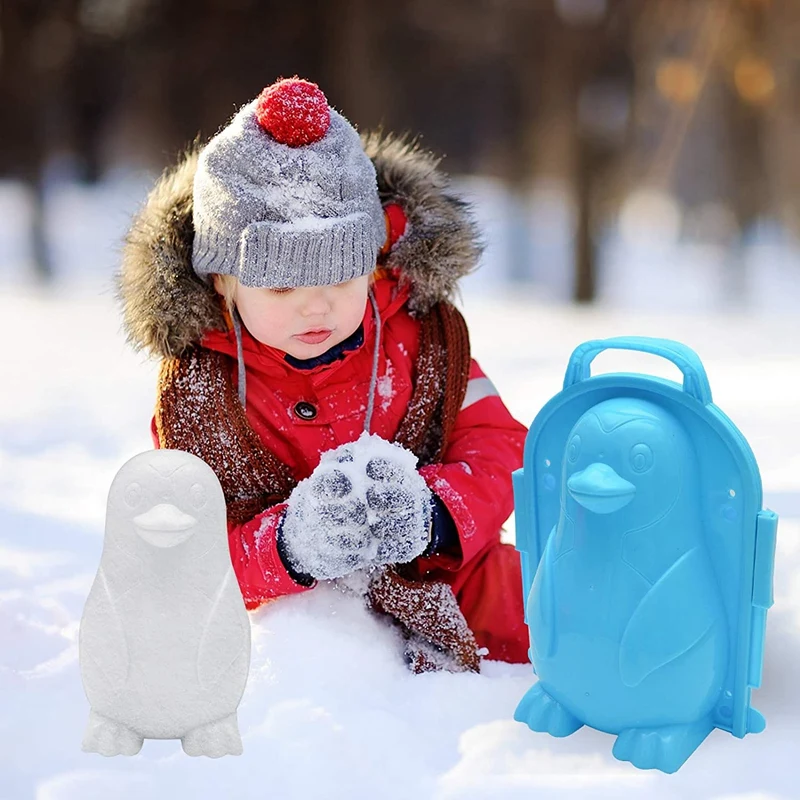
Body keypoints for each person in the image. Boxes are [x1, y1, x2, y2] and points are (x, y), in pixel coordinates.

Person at [117, 77, 529, 672]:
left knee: (559, 606)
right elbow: (185, 559)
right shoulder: (201, 395)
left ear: (374, 260)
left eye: (340, 279)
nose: (316, 307)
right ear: (222, 282)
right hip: (295, 621)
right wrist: (287, 547)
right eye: (282, 286)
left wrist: (437, 514)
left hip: (450, 581)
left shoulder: (421, 339)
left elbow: (500, 447)